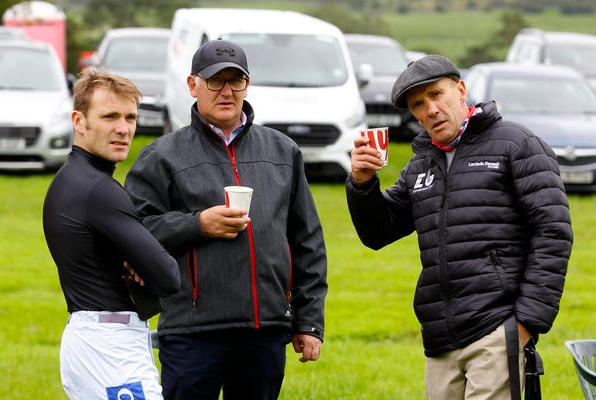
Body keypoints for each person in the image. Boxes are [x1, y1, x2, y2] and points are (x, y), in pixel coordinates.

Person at [345, 55, 573, 399]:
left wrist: (525, 322)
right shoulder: (421, 162)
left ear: (461, 90)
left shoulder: (517, 144)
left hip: (498, 327)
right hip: (439, 337)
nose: (431, 109)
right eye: (418, 104)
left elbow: (553, 233)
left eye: (437, 95)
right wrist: (362, 184)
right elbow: (379, 232)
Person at [124, 38, 328, 400]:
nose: (227, 91)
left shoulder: (283, 151)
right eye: (215, 81)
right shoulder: (161, 156)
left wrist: (308, 320)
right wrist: (197, 224)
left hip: (265, 329)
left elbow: (307, 243)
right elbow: (134, 232)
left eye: (237, 81)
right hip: (191, 332)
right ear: (193, 85)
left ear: (248, 85)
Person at [43, 70, 181, 400]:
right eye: (109, 116)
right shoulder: (98, 190)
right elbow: (167, 277)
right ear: (79, 121)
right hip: (108, 347)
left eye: (130, 116)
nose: (123, 128)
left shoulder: (71, 178)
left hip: (95, 338)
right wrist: (143, 265)